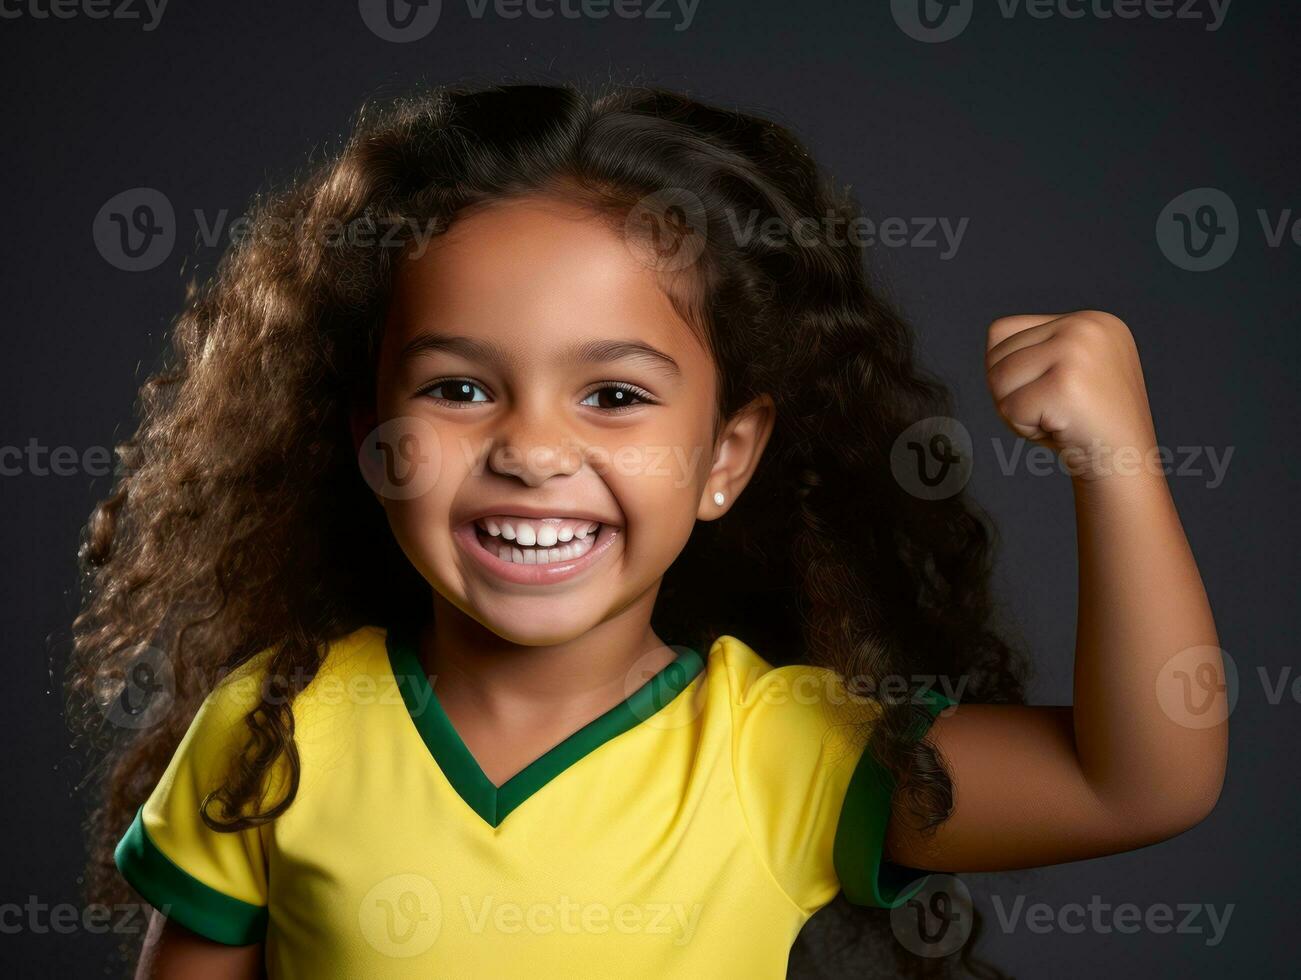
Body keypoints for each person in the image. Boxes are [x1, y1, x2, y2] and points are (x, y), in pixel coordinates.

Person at [68, 82, 1226, 979]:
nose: (529, 448)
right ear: (372, 436)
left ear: (726, 456)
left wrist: (1114, 459)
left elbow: (1137, 782)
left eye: (613, 395)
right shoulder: (271, 733)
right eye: (460, 389)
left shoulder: (778, 754)